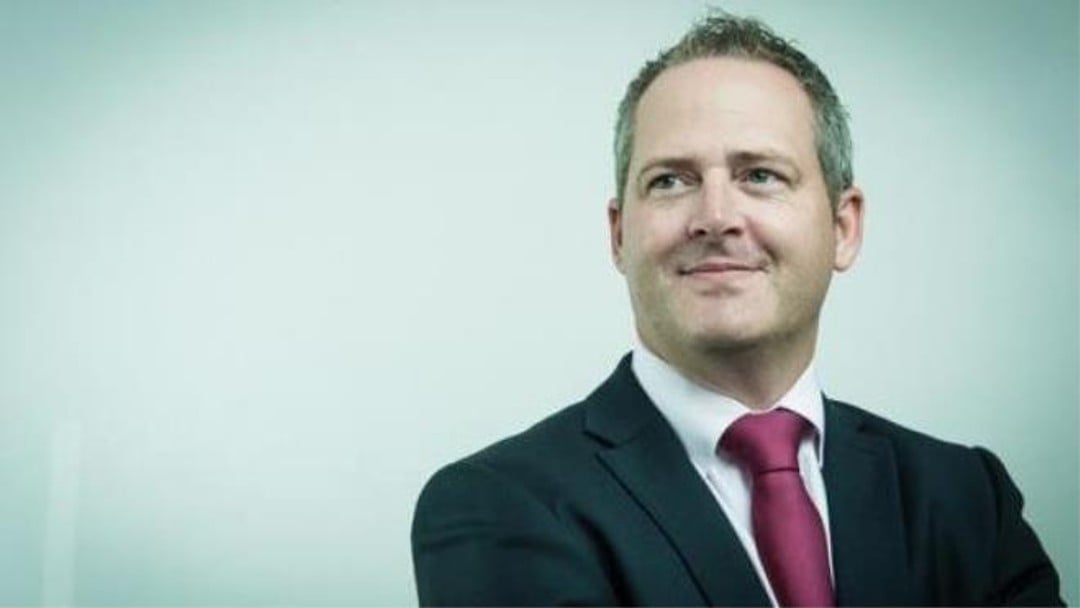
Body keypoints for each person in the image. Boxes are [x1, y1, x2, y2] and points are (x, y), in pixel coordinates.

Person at [410, 12, 1063, 606]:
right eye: (671, 180)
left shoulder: (965, 497)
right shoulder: (498, 506)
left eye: (760, 175)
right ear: (619, 235)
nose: (716, 217)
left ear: (844, 228)